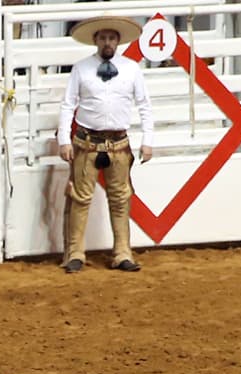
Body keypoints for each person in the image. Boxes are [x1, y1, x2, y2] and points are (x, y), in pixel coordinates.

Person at [57, 15, 153, 274]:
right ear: (95, 40)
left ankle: (122, 253)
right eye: (103, 38)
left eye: (111, 38)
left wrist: (148, 140)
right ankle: (75, 253)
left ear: (118, 41)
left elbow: (144, 105)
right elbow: (69, 104)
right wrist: (64, 139)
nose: (107, 42)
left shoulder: (132, 68)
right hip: (86, 141)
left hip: (119, 142)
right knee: (80, 197)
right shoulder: (81, 68)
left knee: (121, 198)